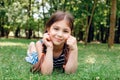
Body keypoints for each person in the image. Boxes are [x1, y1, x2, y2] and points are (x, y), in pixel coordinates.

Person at [25, 11, 78, 75]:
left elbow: (69, 72)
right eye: (56, 29)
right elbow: (46, 73)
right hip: (38, 56)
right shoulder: (40, 44)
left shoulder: (69, 46)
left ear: (70, 33)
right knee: (33, 54)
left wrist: (74, 49)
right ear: (48, 29)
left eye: (65, 31)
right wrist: (49, 47)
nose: (60, 34)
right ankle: (32, 45)